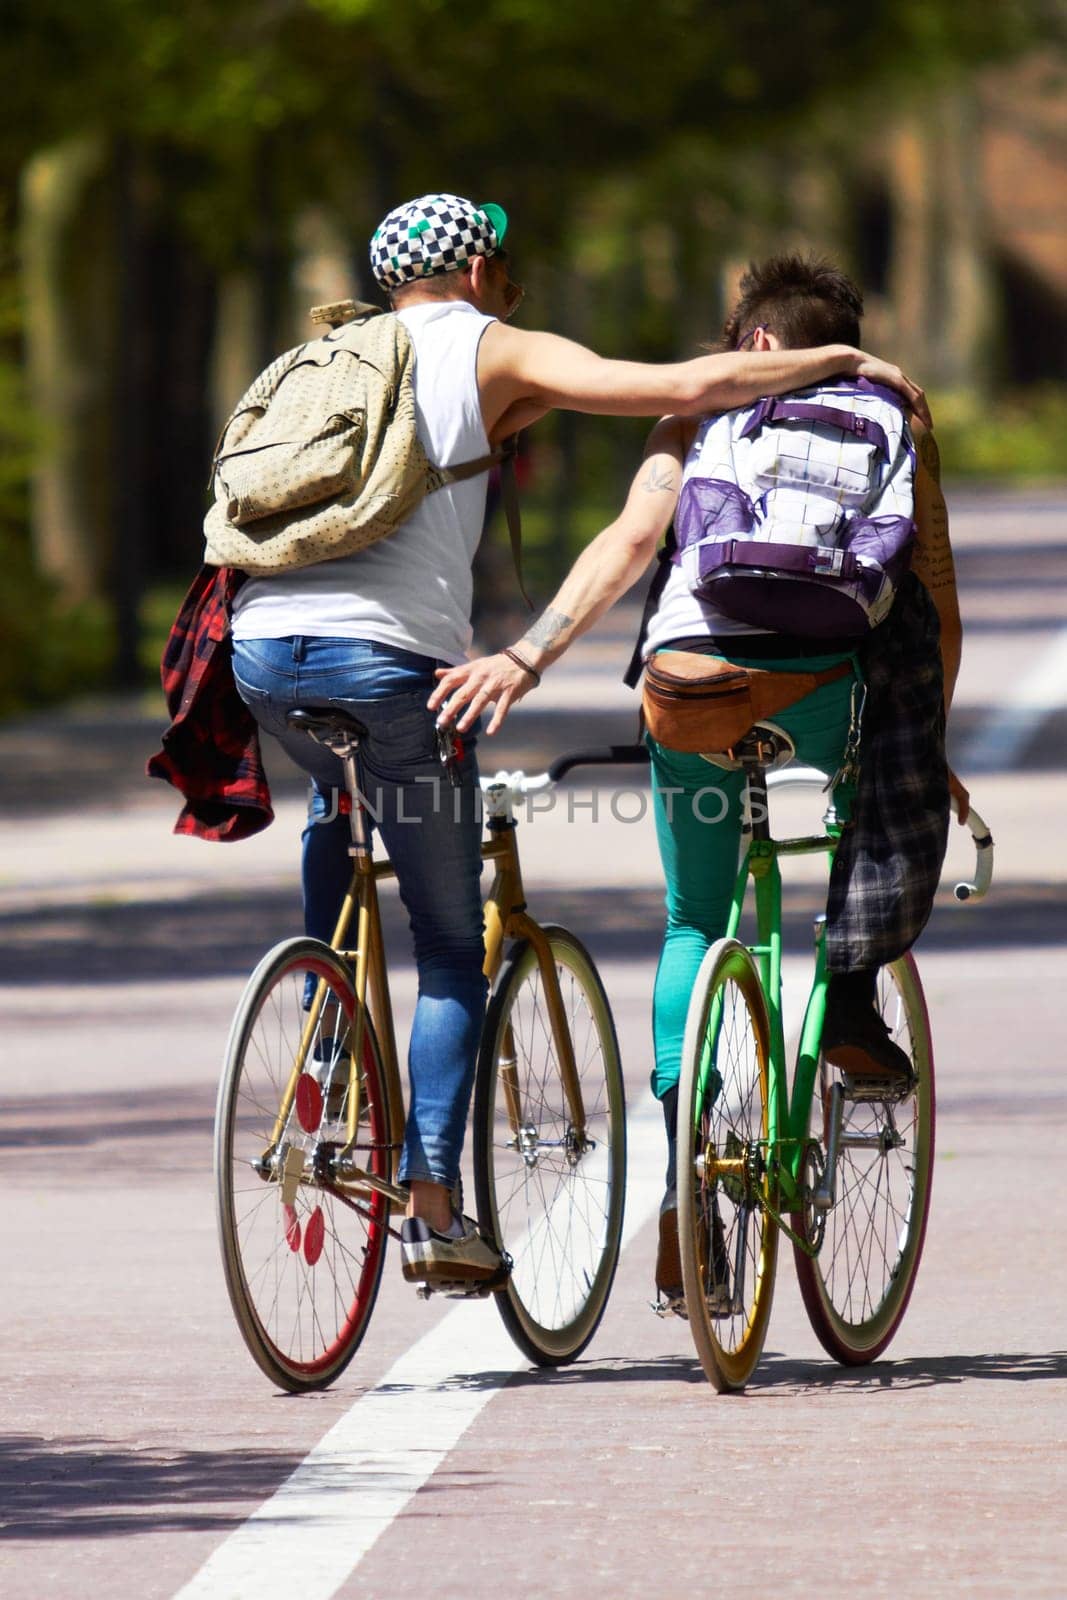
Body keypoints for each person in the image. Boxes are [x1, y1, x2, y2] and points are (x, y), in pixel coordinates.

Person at [228, 199, 930, 1293]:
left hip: (265, 653)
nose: (511, 281)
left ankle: (327, 1017)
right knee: (456, 949)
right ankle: (429, 1207)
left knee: (342, 796)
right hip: (414, 668)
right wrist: (844, 357)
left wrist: (533, 648)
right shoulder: (491, 343)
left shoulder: (322, 357)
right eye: (502, 262)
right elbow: (682, 387)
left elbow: (632, 525)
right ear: (470, 268)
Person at [430, 252, 964, 1307]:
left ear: (754, 343)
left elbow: (631, 543)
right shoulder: (893, 411)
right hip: (821, 684)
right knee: (873, 804)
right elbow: (931, 589)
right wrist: (927, 745)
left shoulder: (698, 421)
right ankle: (848, 994)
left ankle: (685, 1172)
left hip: (692, 687)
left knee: (691, 916)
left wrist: (526, 655)